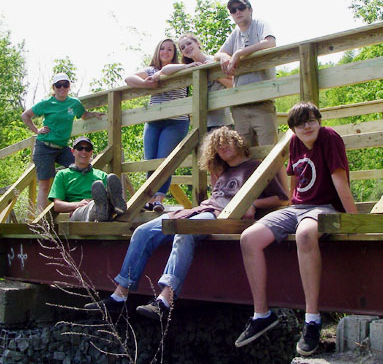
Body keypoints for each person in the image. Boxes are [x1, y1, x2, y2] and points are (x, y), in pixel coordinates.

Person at [84, 127, 288, 318]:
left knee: (185, 232)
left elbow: (282, 198)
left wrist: (253, 203)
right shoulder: (222, 170)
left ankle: (165, 300)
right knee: (142, 232)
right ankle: (119, 296)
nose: (222, 147)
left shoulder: (255, 167)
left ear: (238, 143)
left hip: (221, 216)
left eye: (226, 142)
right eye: (217, 146)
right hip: (200, 210)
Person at [235, 102, 357, 356]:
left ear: (319, 121)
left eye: (312, 119)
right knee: (249, 238)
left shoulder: (329, 138)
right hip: (298, 208)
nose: (308, 125)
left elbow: (339, 178)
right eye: (301, 122)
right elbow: (294, 179)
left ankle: (312, 319)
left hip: (325, 207)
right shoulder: (294, 142)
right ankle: (262, 314)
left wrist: (354, 219)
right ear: (293, 128)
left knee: (304, 234)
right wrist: (290, 208)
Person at [125, 39, 201, 213]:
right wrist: (145, 84)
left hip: (176, 120)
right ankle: (149, 199)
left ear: (175, 53)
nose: (166, 52)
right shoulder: (151, 70)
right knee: (150, 161)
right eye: (162, 49)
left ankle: (159, 198)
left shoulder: (182, 67)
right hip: (153, 121)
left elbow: (169, 70)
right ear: (157, 52)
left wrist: (183, 68)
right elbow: (128, 78)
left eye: (170, 49)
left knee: (164, 160)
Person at [21, 73, 104, 212]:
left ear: (69, 86)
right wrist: (36, 130)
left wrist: (94, 114)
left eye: (65, 84)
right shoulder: (46, 103)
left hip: (63, 148)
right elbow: (25, 115)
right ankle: (42, 220)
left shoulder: (74, 103)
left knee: (84, 167)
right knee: (44, 184)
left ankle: (84, 205)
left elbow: (83, 115)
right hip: (45, 147)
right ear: (54, 87)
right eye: (58, 85)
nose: (62, 88)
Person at [214, 0, 277, 147]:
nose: (237, 12)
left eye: (241, 8)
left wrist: (239, 53)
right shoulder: (235, 33)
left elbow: (270, 43)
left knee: (268, 152)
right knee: (245, 155)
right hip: (239, 105)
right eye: (233, 10)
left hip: (262, 101)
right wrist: (223, 57)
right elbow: (217, 54)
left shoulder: (260, 24)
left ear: (250, 9)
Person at [48, 136, 127, 222]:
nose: (84, 152)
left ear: (91, 152)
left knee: (105, 196)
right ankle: (100, 209)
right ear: (73, 151)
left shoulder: (101, 175)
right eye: (80, 148)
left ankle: (112, 206)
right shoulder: (63, 175)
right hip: (79, 211)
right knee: (92, 207)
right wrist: (77, 204)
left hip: (105, 208)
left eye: (87, 149)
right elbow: (57, 205)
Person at [178, 33, 234, 132]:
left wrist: (214, 75)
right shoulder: (189, 68)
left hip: (221, 121)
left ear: (197, 43)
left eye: (189, 43)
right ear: (182, 53)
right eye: (183, 47)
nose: (187, 48)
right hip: (202, 122)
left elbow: (233, 83)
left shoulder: (214, 60)